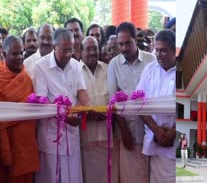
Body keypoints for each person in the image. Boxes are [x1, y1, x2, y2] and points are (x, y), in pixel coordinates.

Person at [33, 28, 90, 183]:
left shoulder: (76, 65)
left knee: (73, 177)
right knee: (52, 178)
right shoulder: (41, 66)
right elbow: (42, 100)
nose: (68, 55)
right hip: (51, 138)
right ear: (54, 47)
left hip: (72, 136)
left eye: (71, 50)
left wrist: (88, 108)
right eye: (64, 50)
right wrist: (64, 116)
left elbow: (82, 92)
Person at [107, 22, 155, 183]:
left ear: (135, 39)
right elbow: (112, 101)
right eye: (121, 44)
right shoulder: (114, 64)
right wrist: (124, 131)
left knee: (150, 176)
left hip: (151, 131)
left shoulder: (151, 60)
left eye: (128, 43)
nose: (124, 48)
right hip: (127, 131)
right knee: (129, 177)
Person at [137, 29, 176, 183]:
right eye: (157, 50)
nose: (159, 54)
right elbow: (138, 103)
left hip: (174, 141)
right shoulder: (150, 70)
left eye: (164, 50)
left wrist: (172, 133)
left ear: (174, 50)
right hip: (154, 140)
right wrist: (157, 131)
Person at [0, 36, 40, 182]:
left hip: (24, 144)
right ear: (4, 54)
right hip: (4, 141)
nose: (19, 58)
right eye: (14, 54)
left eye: (21, 53)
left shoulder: (26, 78)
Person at [80, 36, 117, 183]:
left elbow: (116, 98)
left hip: (106, 137)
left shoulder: (108, 70)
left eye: (94, 48)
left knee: (106, 177)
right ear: (81, 52)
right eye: (88, 49)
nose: (91, 52)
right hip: (85, 139)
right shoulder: (75, 70)